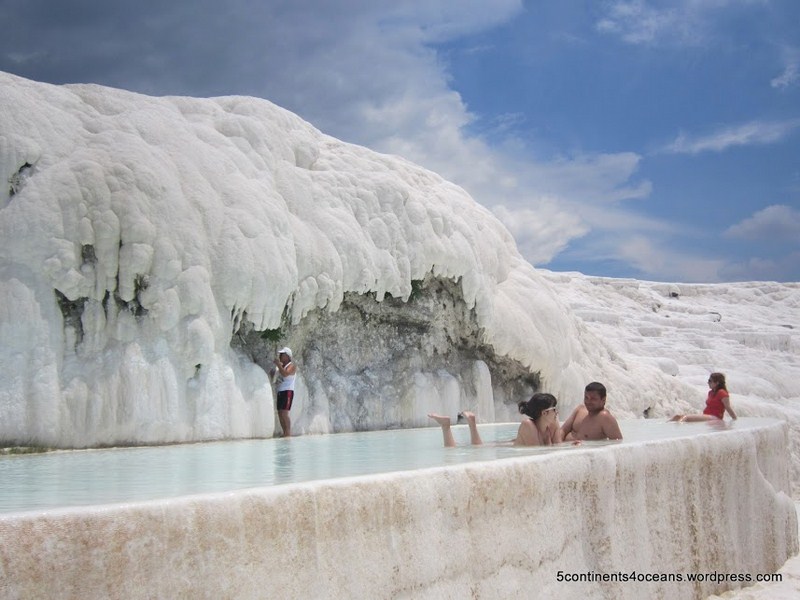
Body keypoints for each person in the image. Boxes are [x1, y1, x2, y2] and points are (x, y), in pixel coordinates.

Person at [427, 393, 562, 448]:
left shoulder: (550, 426)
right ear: (544, 413)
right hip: (503, 448)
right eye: (555, 409)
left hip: (509, 444)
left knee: (474, 448)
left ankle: (468, 424)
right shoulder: (528, 425)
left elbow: (559, 447)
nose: (557, 413)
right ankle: (447, 426)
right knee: (472, 449)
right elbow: (538, 453)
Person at [669, 372, 737, 422]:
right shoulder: (710, 392)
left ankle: (677, 430)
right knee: (677, 416)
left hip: (715, 418)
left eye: (710, 381)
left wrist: (735, 419)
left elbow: (728, 407)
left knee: (686, 418)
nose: (708, 383)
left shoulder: (722, 393)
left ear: (717, 383)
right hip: (707, 415)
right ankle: (665, 426)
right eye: (708, 381)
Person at [271, 347, 297, 437]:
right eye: (280, 354)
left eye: (282, 354)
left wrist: (278, 365)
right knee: (280, 412)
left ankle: (288, 433)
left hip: (288, 391)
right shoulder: (282, 367)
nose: (280, 356)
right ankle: (284, 432)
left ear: (288, 356)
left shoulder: (291, 366)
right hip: (281, 391)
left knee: (285, 413)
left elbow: (285, 373)